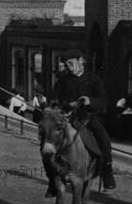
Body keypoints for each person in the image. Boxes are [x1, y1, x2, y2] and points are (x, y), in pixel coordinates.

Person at [44, 49, 116, 196]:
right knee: (46, 144)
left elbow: (104, 102)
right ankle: (52, 181)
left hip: (87, 119)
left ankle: (107, 171)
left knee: (103, 137)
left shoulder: (94, 80)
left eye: (71, 63)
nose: (68, 66)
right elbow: (53, 99)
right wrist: (62, 105)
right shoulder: (63, 81)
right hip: (66, 119)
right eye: (66, 64)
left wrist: (90, 101)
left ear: (81, 61)